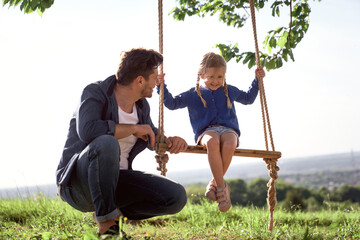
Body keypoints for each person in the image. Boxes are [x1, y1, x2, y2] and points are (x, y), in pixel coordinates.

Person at [56, 48, 188, 236]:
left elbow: (151, 135)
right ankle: (108, 227)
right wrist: (133, 129)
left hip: (117, 183)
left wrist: (169, 140)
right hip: (78, 185)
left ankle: (111, 211)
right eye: (155, 77)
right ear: (140, 80)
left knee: (176, 197)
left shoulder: (141, 106)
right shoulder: (95, 92)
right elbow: (88, 131)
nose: (157, 82)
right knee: (107, 143)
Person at [157, 52, 265, 212]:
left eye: (220, 77)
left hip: (229, 130)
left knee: (229, 144)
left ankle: (215, 182)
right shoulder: (192, 94)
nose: (216, 81)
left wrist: (257, 80)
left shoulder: (230, 91)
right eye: (212, 77)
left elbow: (248, 98)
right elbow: (172, 104)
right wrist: (161, 86)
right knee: (212, 142)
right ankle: (222, 189)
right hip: (206, 132)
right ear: (200, 74)